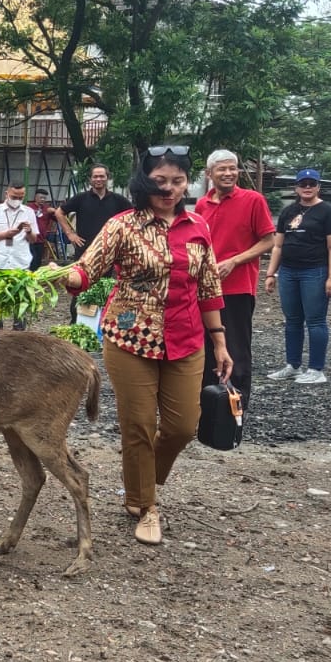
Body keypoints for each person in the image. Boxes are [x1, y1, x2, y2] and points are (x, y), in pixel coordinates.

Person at [62, 147, 231, 546]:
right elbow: (89, 268)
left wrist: (220, 343)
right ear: (144, 182)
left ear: (188, 182)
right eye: (160, 181)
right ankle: (146, 505)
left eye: (177, 181)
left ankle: (139, 480)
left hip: (187, 339)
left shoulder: (198, 227)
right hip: (130, 337)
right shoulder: (123, 225)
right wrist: (66, 277)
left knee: (182, 426)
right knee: (138, 426)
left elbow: (208, 287)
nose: (169, 189)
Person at [193, 149, 274, 410]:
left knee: (236, 347)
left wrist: (235, 260)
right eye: (222, 169)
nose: (228, 173)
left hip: (238, 287)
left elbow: (269, 240)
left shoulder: (253, 200)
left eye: (233, 168)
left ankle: (234, 409)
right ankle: (207, 404)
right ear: (209, 174)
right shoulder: (202, 204)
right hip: (205, 289)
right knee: (205, 347)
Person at [264, 168, 331, 386]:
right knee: (292, 321)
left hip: (314, 271)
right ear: (296, 187)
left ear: (318, 186)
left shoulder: (328, 212)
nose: (307, 188)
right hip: (289, 271)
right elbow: (278, 245)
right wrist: (271, 273)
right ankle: (293, 365)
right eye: (303, 184)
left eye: (311, 184)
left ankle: (316, 369)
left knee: (316, 321)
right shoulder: (289, 212)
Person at [52, 164, 131, 319]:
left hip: (107, 253)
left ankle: (98, 321)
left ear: (107, 178)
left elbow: (132, 216)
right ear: (90, 179)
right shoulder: (81, 198)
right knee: (79, 285)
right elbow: (59, 212)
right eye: (95, 176)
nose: (98, 179)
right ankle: (76, 321)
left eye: (102, 176)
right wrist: (70, 233)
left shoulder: (118, 200)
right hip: (84, 250)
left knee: (104, 288)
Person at [0, 183, 39, 329]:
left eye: (21, 197)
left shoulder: (28, 212)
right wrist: (5, 234)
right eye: (14, 197)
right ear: (6, 194)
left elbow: (34, 239)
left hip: (20, 262)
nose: (17, 199)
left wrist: (29, 232)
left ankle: (18, 332)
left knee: (21, 300)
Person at [29, 189, 58, 268]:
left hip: (41, 240)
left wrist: (55, 212)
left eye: (44, 198)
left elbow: (58, 218)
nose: (42, 200)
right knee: (32, 260)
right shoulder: (29, 208)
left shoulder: (47, 208)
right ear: (35, 197)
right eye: (41, 197)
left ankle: (35, 277)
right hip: (29, 239)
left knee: (38, 261)